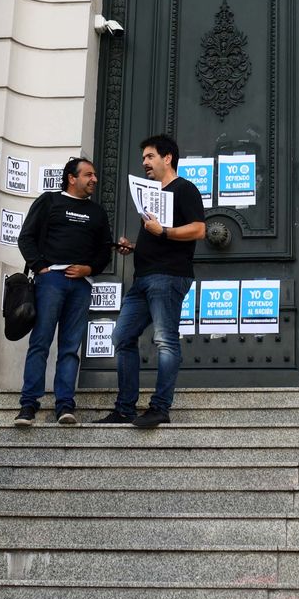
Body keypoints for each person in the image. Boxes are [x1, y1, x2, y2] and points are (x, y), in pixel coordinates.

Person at [97, 134, 206, 428]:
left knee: (165, 340)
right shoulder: (152, 192)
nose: (144, 162)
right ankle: (125, 409)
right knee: (122, 336)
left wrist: (164, 232)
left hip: (169, 276)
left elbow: (198, 230)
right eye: (144, 157)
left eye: (149, 156)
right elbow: (156, 235)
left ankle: (160, 408)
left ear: (167, 158)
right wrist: (134, 245)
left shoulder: (185, 189)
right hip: (142, 278)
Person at [15, 156, 112, 426]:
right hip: (51, 282)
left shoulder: (97, 213)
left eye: (94, 175)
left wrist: (88, 269)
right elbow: (26, 237)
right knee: (41, 342)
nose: (94, 179)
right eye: (88, 175)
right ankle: (28, 405)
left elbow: (105, 251)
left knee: (70, 348)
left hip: (81, 285)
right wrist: (41, 267)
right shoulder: (49, 202)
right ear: (72, 177)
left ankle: (65, 406)